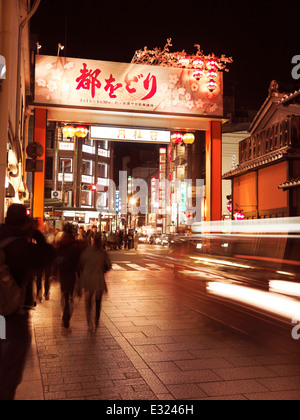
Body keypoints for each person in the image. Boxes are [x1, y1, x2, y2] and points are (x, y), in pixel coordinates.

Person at [0, 204, 55, 400]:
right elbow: (48, 255)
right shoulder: (21, 247)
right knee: (8, 372)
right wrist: (36, 233)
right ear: (25, 223)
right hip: (11, 317)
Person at [79, 232, 111, 333]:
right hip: (99, 279)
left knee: (88, 301)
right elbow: (108, 266)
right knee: (98, 301)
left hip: (88, 278)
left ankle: (89, 323)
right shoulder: (103, 253)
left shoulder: (87, 252)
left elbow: (81, 263)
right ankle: (96, 319)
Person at [55, 223, 82, 329]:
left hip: (63, 274)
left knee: (64, 295)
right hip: (71, 275)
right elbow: (79, 263)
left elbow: (56, 260)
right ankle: (67, 317)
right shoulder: (75, 247)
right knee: (69, 297)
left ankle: (65, 315)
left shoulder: (60, 246)